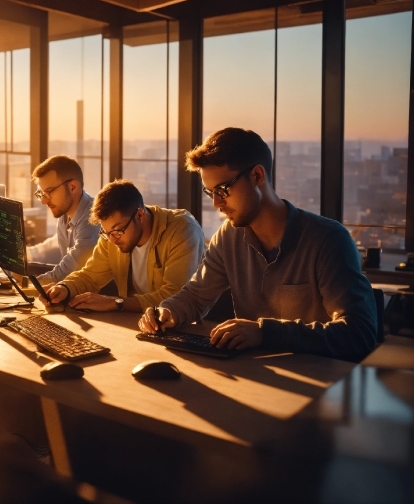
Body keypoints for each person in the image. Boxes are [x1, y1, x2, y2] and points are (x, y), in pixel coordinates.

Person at [139, 127, 377, 362]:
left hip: (322, 387)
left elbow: (359, 333)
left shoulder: (328, 240)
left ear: (257, 176)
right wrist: (166, 311)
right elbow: (196, 297)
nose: (216, 204)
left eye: (223, 190)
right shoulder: (228, 237)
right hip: (256, 379)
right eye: (210, 192)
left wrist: (265, 333)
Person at [42, 179, 205, 312]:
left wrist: (117, 303)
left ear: (140, 215)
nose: (112, 240)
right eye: (106, 233)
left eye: (117, 231)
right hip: (133, 323)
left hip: (183, 329)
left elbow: (175, 296)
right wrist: (64, 288)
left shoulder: (182, 230)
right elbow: (90, 276)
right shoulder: (110, 236)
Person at [27, 155, 99, 286]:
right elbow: (54, 246)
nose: (43, 201)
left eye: (49, 192)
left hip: (100, 300)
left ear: (73, 187)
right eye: (40, 194)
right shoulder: (64, 216)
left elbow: (67, 272)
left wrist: (27, 285)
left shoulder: (92, 219)